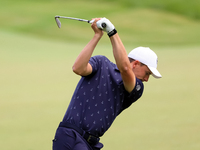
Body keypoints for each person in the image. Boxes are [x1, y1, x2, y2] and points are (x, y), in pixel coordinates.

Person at [52, 18, 162, 150]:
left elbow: (125, 69)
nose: (146, 79)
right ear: (136, 64)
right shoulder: (101, 63)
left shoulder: (137, 88)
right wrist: (97, 36)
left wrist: (112, 31)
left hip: (90, 144)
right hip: (69, 136)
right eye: (147, 73)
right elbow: (78, 68)